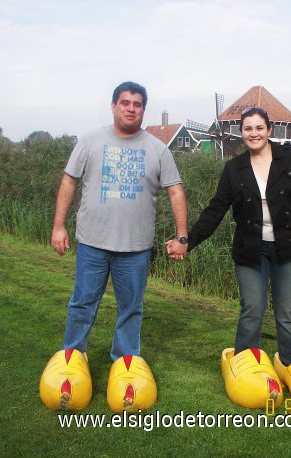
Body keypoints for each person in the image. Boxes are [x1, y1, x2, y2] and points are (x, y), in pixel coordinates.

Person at [166, 107, 291, 409]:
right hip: (251, 250)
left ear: (269, 130)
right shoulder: (234, 169)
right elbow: (215, 210)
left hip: (290, 248)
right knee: (252, 310)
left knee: (286, 313)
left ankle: (290, 362)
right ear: (241, 132)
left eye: (259, 127)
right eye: (248, 128)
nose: (254, 133)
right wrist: (186, 242)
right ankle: (246, 366)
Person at [50, 81, 188, 409]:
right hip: (92, 245)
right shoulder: (89, 141)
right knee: (82, 302)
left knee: (131, 308)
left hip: (136, 248)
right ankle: (72, 355)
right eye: (124, 102)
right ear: (113, 106)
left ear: (143, 109)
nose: (130, 108)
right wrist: (58, 226)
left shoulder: (158, 149)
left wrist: (182, 236)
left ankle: (125, 363)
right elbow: (68, 182)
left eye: (137, 104)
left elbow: (176, 192)